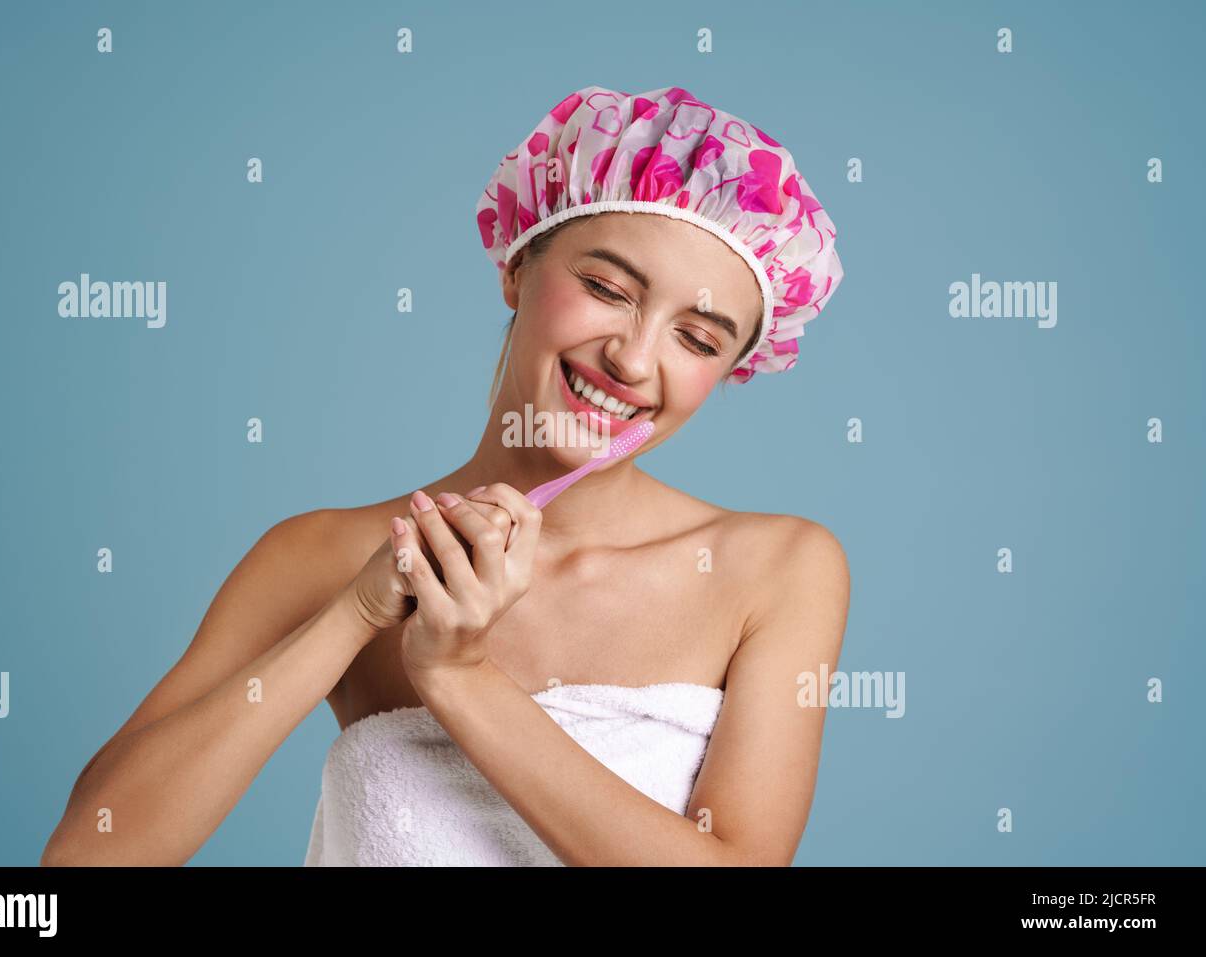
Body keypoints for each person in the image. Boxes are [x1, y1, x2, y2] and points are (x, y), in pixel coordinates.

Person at [41, 84, 849, 867]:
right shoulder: (323, 553)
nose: (634, 360)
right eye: (606, 289)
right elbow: (87, 855)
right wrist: (354, 613)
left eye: (698, 339)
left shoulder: (776, 569)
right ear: (517, 265)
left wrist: (458, 676)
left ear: (731, 370)